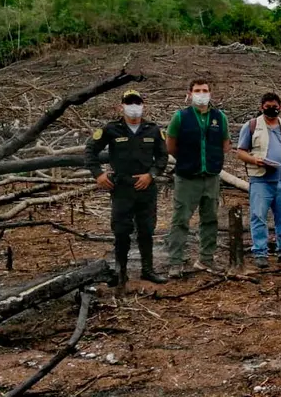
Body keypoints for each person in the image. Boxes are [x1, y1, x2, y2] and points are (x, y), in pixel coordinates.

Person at [84, 89, 169, 287]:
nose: (134, 107)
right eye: (129, 103)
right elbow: (90, 151)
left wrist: (152, 175)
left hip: (146, 188)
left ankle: (148, 270)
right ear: (121, 106)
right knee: (121, 231)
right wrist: (98, 174)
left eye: (137, 103)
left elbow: (162, 157)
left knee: (147, 230)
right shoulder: (111, 129)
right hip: (121, 188)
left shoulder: (153, 130)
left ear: (143, 106)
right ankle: (120, 271)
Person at [165, 79, 231, 277]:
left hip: (211, 176)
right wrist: (187, 160)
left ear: (211, 93)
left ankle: (206, 259)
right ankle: (175, 262)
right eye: (197, 90)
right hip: (187, 177)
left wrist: (211, 159)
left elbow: (225, 145)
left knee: (210, 219)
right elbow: (170, 145)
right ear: (190, 93)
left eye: (205, 90)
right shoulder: (181, 117)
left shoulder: (219, 117)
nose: (201, 94)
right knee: (180, 220)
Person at [235, 92, 281, 268]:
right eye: (268, 107)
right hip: (261, 180)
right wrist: (255, 160)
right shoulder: (251, 126)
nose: (272, 109)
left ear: (280, 107)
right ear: (261, 107)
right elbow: (240, 152)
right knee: (258, 216)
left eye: (275, 106)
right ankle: (260, 252)